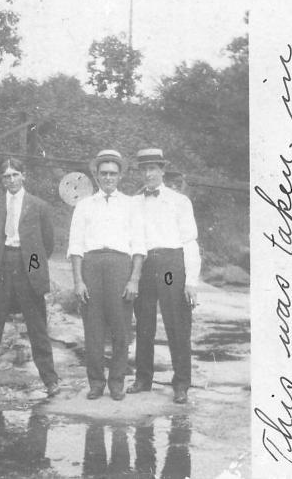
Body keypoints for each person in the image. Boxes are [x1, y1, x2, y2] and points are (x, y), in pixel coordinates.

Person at [0, 158, 60, 397]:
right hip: (1, 266)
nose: (11, 180)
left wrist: (32, 266)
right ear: (1, 180)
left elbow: (47, 245)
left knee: (37, 327)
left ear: (24, 176)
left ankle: (50, 380)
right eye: (6, 176)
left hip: (28, 264)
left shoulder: (39, 206)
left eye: (15, 174)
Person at [67, 150, 144, 401]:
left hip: (120, 266)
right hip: (91, 266)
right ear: (96, 176)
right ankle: (96, 383)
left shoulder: (132, 205)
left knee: (121, 328)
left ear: (120, 175)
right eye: (104, 173)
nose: (108, 178)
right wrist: (78, 281)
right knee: (93, 329)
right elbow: (76, 246)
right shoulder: (84, 205)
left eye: (113, 173)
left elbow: (139, 246)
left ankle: (117, 382)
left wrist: (134, 278)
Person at [127, 148, 200, 404]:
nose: (148, 174)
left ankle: (181, 383)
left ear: (162, 170)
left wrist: (191, 281)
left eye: (153, 169)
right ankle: (143, 379)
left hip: (170, 266)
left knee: (176, 323)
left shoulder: (179, 201)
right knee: (144, 323)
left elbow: (190, 242)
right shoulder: (133, 202)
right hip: (144, 264)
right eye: (144, 169)